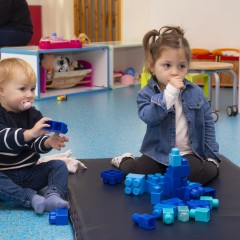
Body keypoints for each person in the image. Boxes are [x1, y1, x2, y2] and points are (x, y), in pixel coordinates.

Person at [112, 26, 221, 185]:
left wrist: (212, 155)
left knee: (201, 175)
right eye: (167, 65)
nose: (175, 72)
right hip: (157, 153)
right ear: (152, 65)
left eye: (181, 66)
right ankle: (124, 159)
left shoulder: (195, 92)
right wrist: (169, 93)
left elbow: (208, 123)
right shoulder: (146, 94)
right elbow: (150, 118)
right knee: (136, 174)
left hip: (186, 154)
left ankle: (198, 168)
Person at [0, 58, 69, 214]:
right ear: (2, 90)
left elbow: (35, 143)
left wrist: (48, 142)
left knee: (58, 166)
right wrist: (30, 133)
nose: (30, 95)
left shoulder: (32, 114)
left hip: (29, 173)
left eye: (32, 89)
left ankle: (53, 195)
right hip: (4, 176)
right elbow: (4, 138)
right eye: (23, 89)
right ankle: (29, 198)